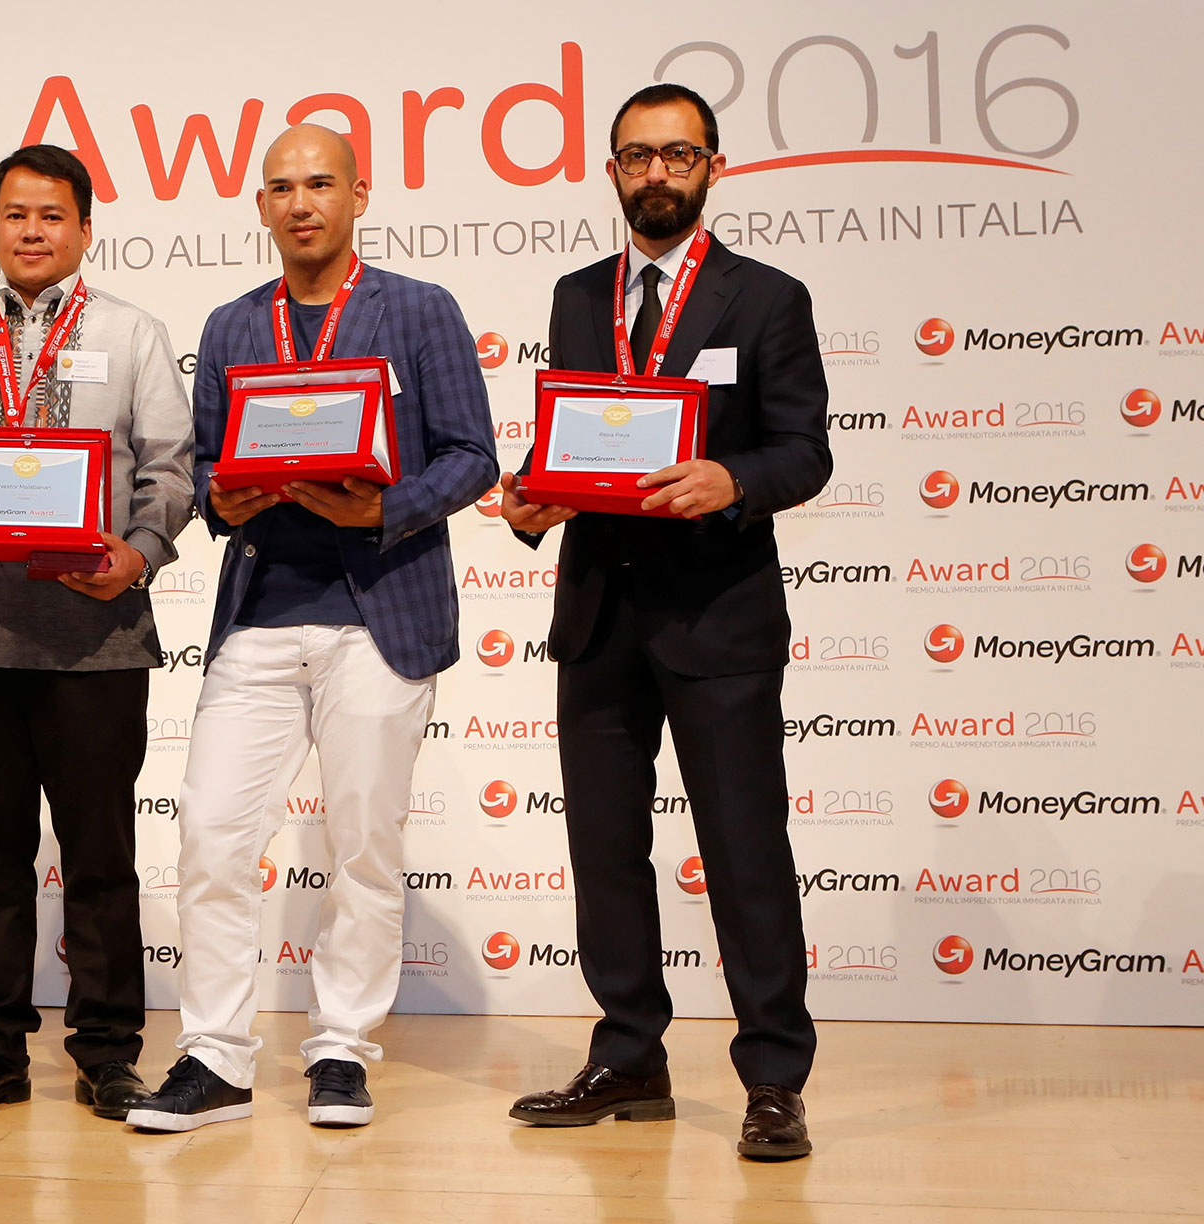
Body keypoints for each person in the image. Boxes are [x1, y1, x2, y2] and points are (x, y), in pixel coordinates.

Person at [125, 125, 499, 1133]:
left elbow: (472, 455)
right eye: (282, 187)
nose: (301, 203)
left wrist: (380, 508)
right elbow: (207, 464)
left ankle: (341, 1048)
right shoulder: (233, 324)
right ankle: (215, 1056)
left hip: (380, 615)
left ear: (358, 196)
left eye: (321, 183)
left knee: (365, 845)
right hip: (259, 614)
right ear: (261, 206)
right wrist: (220, 497)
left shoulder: (419, 309)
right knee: (211, 835)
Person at [499, 83, 831, 1161]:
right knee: (605, 850)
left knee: (744, 851)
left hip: (719, 617)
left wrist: (731, 478)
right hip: (599, 613)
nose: (656, 173)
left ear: (712, 168)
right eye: (637, 156)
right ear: (611, 171)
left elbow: (804, 451)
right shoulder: (576, 296)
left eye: (677, 155)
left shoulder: (765, 298)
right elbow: (575, 438)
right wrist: (529, 495)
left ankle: (773, 1078)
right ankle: (630, 1057)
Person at [0, 145, 193, 1120]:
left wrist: (140, 551)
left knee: (100, 858)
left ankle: (108, 1051)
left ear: (85, 230)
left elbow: (172, 468)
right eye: (15, 213)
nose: (31, 230)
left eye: (51, 215)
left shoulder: (133, 334)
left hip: (97, 638)